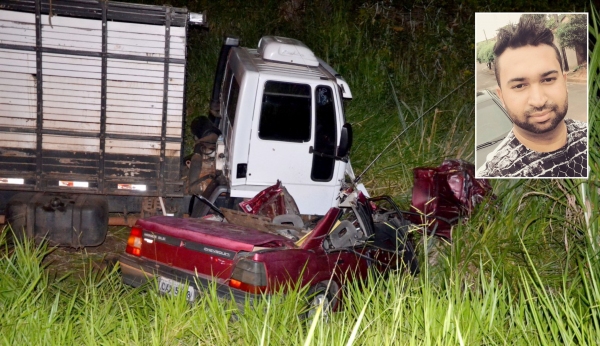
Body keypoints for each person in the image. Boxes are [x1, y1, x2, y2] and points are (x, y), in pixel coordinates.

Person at [477, 15, 587, 178]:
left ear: (564, 82)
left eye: (548, 79)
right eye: (519, 86)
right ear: (501, 96)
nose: (538, 100)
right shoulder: (493, 176)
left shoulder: (590, 136)